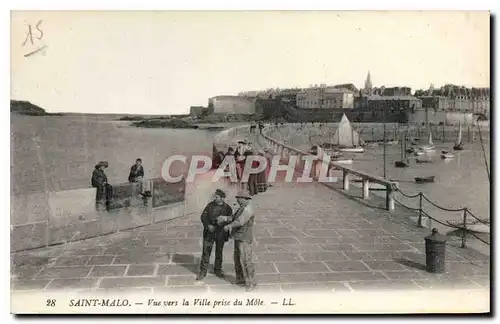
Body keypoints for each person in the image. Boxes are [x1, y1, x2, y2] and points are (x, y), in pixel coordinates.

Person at [217, 190, 257, 292]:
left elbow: (240, 221)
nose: (237, 200)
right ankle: (240, 279)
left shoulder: (248, 209)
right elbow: (234, 218)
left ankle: (250, 282)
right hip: (238, 237)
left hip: (244, 238)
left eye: (238, 198)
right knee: (237, 259)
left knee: (245, 260)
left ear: (244, 199)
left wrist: (229, 226)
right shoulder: (241, 208)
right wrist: (225, 218)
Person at [196, 189, 233, 281]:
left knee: (219, 252)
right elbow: (203, 216)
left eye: (217, 197)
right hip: (209, 232)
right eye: (215, 196)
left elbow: (231, 218)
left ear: (222, 198)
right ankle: (202, 272)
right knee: (206, 252)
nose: (215, 198)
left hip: (220, 233)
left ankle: (218, 270)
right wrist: (208, 226)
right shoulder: (210, 206)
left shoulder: (227, 208)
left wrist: (226, 223)